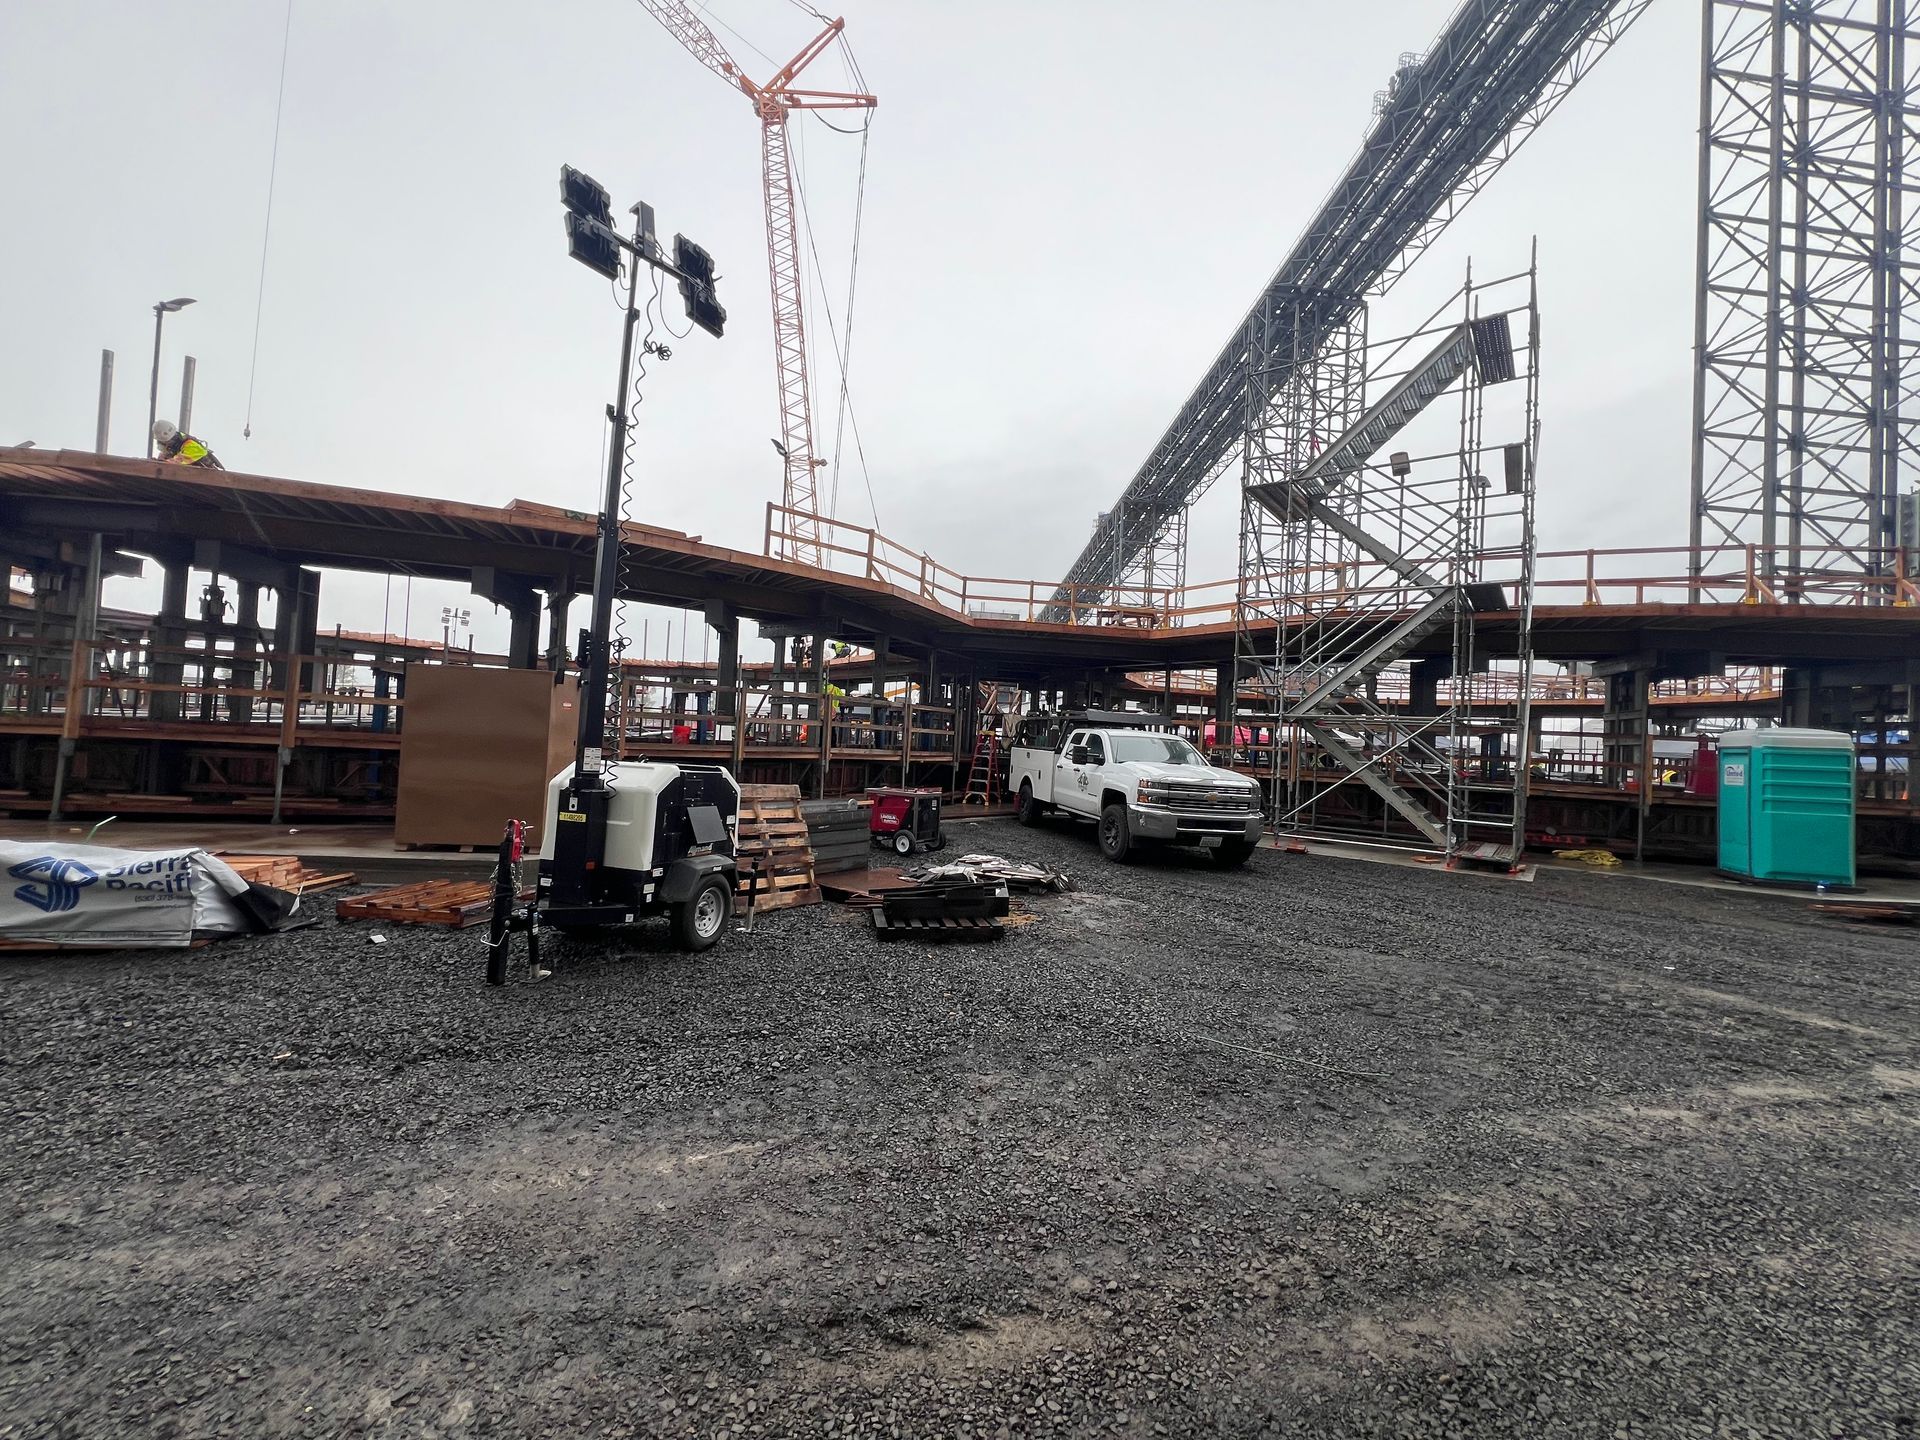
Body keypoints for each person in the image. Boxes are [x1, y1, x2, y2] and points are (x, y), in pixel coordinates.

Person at [151, 420, 224, 470]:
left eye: (161, 442)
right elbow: (164, 458)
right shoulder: (174, 446)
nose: (160, 444)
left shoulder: (191, 446)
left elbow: (177, 461)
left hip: (208, 477)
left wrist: (161, 463)